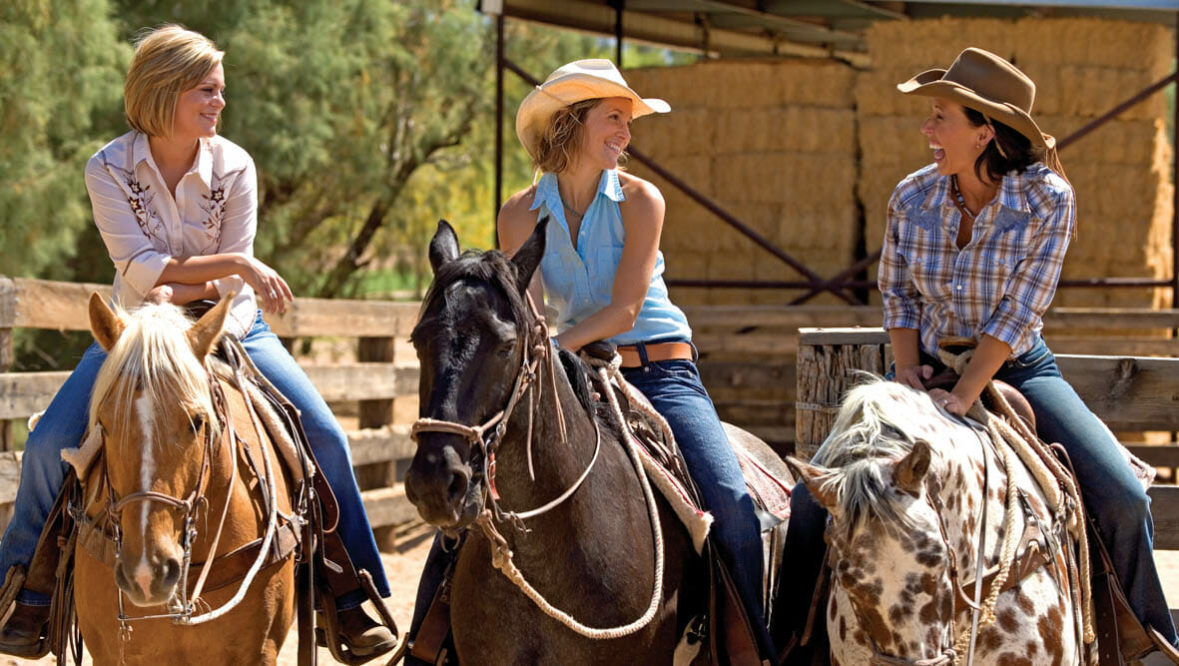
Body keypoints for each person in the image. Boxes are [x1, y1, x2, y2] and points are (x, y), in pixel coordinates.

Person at [0, 25, 395, 658]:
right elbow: (142, 272)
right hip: (137, 336)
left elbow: (196, 284)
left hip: (227, 327)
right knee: (49, 443)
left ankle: (352, 599)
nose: (218, 103)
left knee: (326, 435)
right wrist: (233, 266)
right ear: (164, 91)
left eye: (221, 91)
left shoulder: (234, 165)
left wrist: (213, 286)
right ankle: (27, 594)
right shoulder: (106, 167)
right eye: (206, 90)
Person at [776, 47, 1178, 661]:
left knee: (1122, 494)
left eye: (941, 117)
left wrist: (964, 396)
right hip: (921, 368)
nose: (926, 130)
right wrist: (908, 368)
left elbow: (1020, 311)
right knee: (816, 502)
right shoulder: (911, 197)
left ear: (985, 132)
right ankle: (790, 646)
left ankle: (1143, 637)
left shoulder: (1048, 200)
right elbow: (899, 293)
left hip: (1014, 367)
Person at [405, 59, 773, 661]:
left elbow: (626, 310)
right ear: (571, 124)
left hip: (658, 368)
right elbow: (528, 316)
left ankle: (747, 648)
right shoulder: (519, 212)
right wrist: (541, 358)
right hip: (565, 371)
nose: (626, 134)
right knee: (473, 498)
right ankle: (428, 640)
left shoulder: (640, 201)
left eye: (628, 122)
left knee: (729, 503)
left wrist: (545, 354)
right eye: (613, 119)